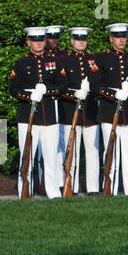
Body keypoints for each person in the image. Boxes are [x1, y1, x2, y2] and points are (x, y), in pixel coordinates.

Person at [9, 25, 64, 198]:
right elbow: (14, 89)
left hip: (49, 117)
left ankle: (52, 192)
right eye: (35, 40)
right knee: (27, 157)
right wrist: (29, 95)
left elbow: (62, 85)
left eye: (41, 40)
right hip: (27, 116)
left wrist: (47, 90)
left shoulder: (54, 61)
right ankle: (23, 191)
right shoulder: (21, 63)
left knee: (50, 157)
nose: (38, 43)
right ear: (28, 42)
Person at [96, 22, 128, 194]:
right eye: (118, 37)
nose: (121, 40)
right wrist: (112, 94)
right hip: (109, 113)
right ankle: (110, 188)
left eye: (123, 37)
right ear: (111, 39)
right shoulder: (102, 58)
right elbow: (96, 85)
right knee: (111, 154)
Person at [56, 26, 102, 193]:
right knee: (72, 153)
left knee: (92, 151)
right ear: (72, 41)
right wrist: (74, 93)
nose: (81, 42)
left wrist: (91, 88)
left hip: (90, 113)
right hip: (70, 112)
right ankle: (72, 187)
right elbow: (61, 87)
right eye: (78, 39)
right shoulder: (64, 61)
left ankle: (93, 188)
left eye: (84, 39)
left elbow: (98, 82)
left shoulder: (93, 59)